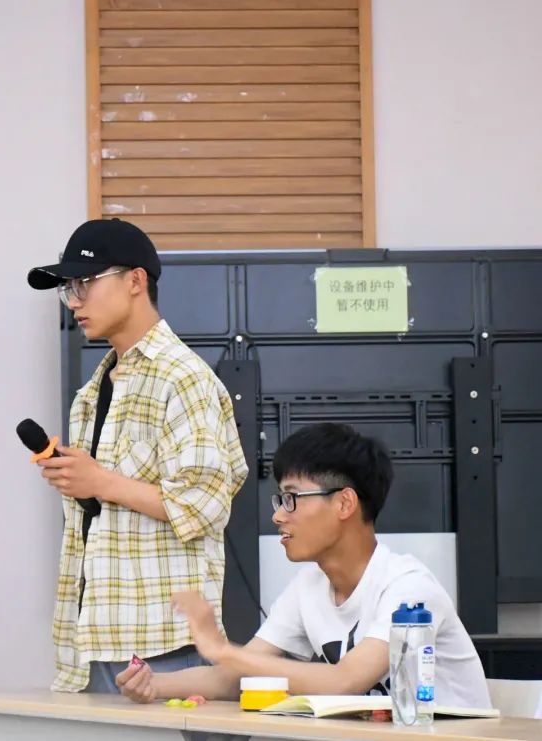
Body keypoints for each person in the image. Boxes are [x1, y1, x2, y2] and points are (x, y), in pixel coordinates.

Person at [116, 423, 491, 709]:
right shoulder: (308, 586)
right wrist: (152, 684)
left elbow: (345, 681)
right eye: (279, 500)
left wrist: (223, 649)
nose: (279, 516)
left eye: (292, 498)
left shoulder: (409, 589)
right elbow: (233, 679)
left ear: (344, 504)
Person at [27, 218, 249, 692]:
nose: (75, 301)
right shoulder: (91, 393)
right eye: (68, 290)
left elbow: (204, 505)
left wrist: (100, 481)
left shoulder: (183, 378)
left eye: (85, 283)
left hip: (165, 641)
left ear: (135, 280)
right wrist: (80, 483)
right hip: (96, 634)